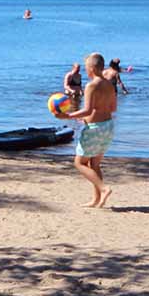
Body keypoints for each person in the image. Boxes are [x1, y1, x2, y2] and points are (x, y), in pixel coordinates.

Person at [57, 52, 115, 208]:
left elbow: (88, 110)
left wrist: (68, 116)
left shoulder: (91, 85)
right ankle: (96, 200)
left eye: (86, 68)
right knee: (94, 164)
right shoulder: (109, 84)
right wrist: (86, 117)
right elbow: (112, 108)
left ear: (92, 68)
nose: (86, 71)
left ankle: (104, 189)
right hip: (108, 126)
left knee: (79, 163)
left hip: (94, 129)